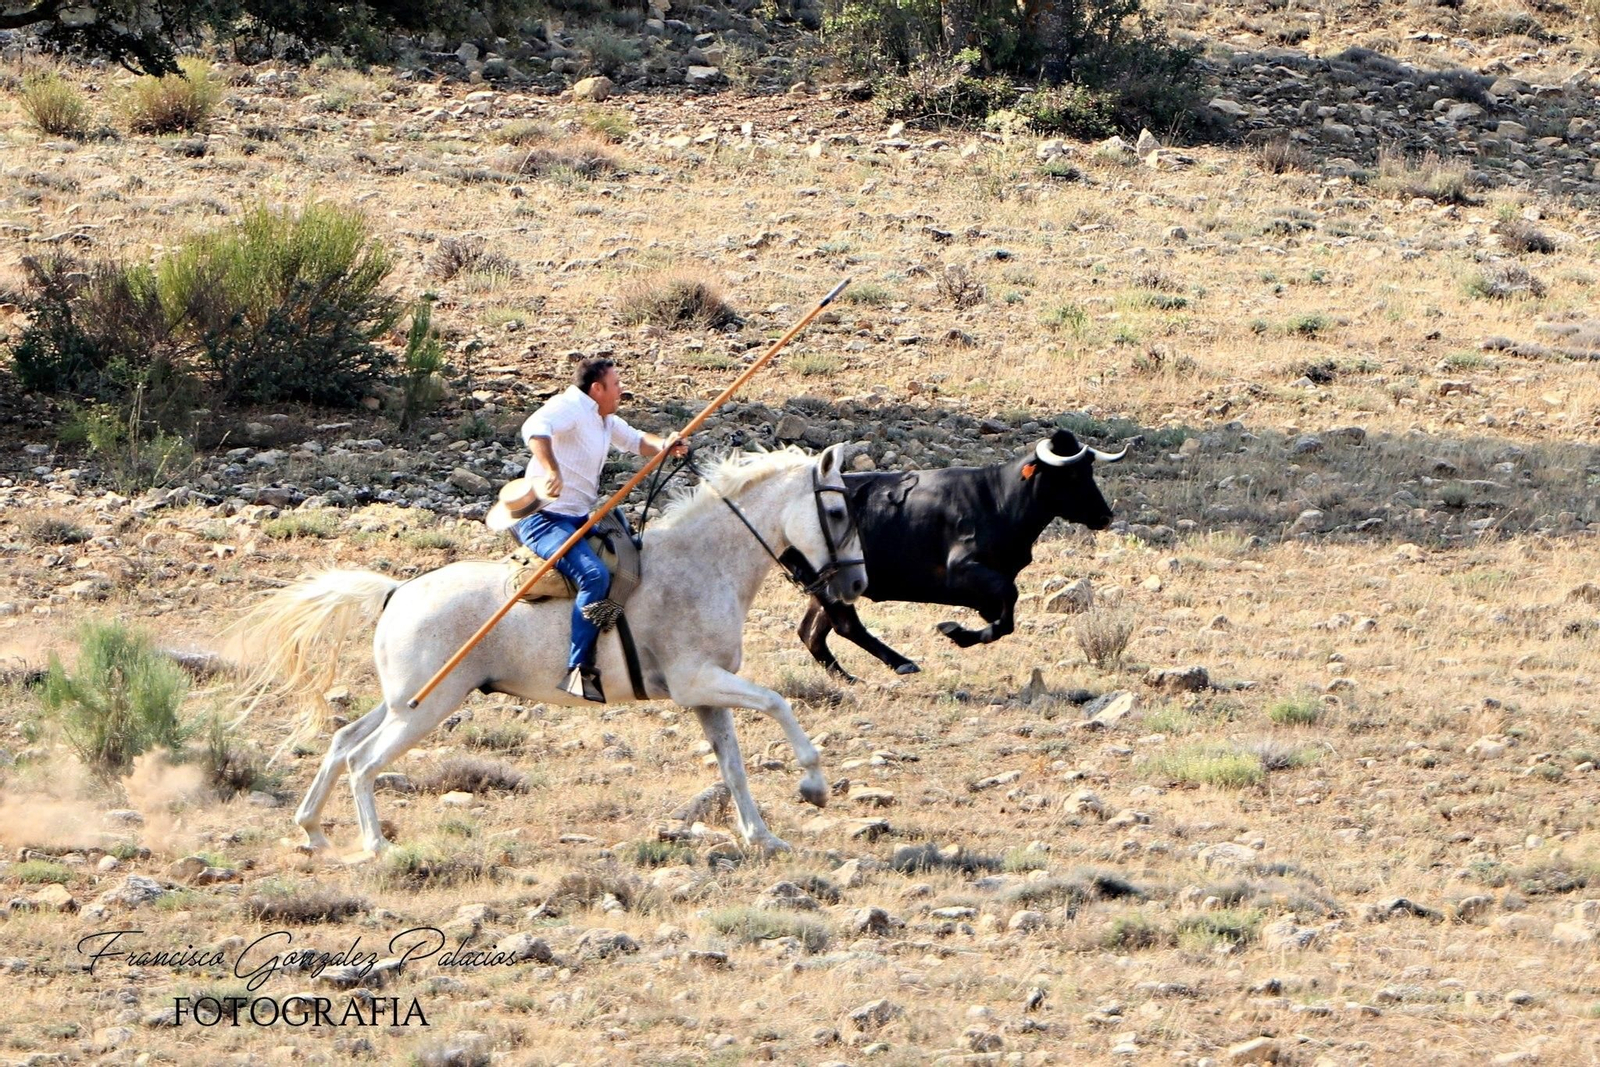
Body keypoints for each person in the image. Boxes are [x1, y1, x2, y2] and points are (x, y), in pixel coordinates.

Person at [510, 357, 687, 703]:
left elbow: (638, 441)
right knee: (593, 576)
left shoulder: (605, 420)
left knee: (630, 556)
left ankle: (612, 631)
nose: (622, 389)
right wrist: (549, 469)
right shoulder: (571, 407)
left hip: (577, 517)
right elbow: (534, 426)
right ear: (597, 389)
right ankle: (579, 669)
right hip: (543, 518)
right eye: (616, 384)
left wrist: (667, 446)